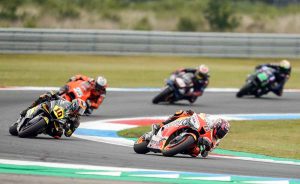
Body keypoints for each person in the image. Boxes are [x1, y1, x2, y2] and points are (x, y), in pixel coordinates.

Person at [143, 110, 230, 157]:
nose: (220, 134)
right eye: (220, 132)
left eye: (222, 134)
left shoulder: (215, 141)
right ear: (216, 126)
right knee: (181, 113)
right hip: (191, 128)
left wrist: (206, 148)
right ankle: (160, 126)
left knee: (196, 152)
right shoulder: (209, 123)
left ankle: (175, 146)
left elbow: (205, 154)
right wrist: (192, 113)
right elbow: (201, 116)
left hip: (191, 147)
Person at [19, 91, 86, 138]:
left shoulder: (76, 121)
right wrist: (51, 94)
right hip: (50, 110)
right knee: (44, 97)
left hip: (58, 123)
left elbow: (68, 134)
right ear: (74, 106)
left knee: (58, 134)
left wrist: (66, 127)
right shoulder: (66, 103)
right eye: (79, 110)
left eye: (82, 111)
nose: (80, 112)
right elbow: (55, 95)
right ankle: (28, 109)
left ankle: (38, 130)